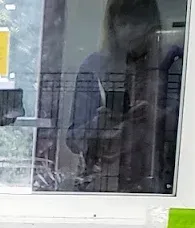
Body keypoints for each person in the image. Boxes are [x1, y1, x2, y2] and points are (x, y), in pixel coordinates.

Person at [66, 0, 182, 193]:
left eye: (137, 23)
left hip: (160, 185)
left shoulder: (172, 64)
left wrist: (155, 116)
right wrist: (99, 123)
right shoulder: (94, 68)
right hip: (102, 184)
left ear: (152, 25)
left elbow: (190, 138)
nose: (130, 31)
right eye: (123, 23)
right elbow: (73, 140)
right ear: (112, 26)